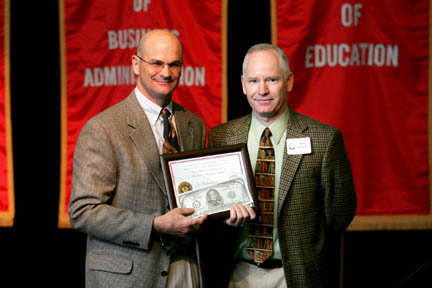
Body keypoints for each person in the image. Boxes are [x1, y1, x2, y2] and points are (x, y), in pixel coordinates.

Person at [204, 43, 357, 287]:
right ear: (243, 84)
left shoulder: (324, 140)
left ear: (289, 81)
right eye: (254, 81)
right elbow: (210, 209)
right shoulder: (221, 137)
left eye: (272, 80)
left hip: (296, 276)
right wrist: (224, 221)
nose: (262, 90)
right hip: (235, 274)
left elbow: (339, 213)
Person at [68, 30, 208, 288]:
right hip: (128, 275)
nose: (166, 72)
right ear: (135, 64)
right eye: (156, 63)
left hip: (186, 269)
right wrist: (156, 225)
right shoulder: (104, 128)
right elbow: (83, 212)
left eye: (174, 64)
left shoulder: (194, 125)